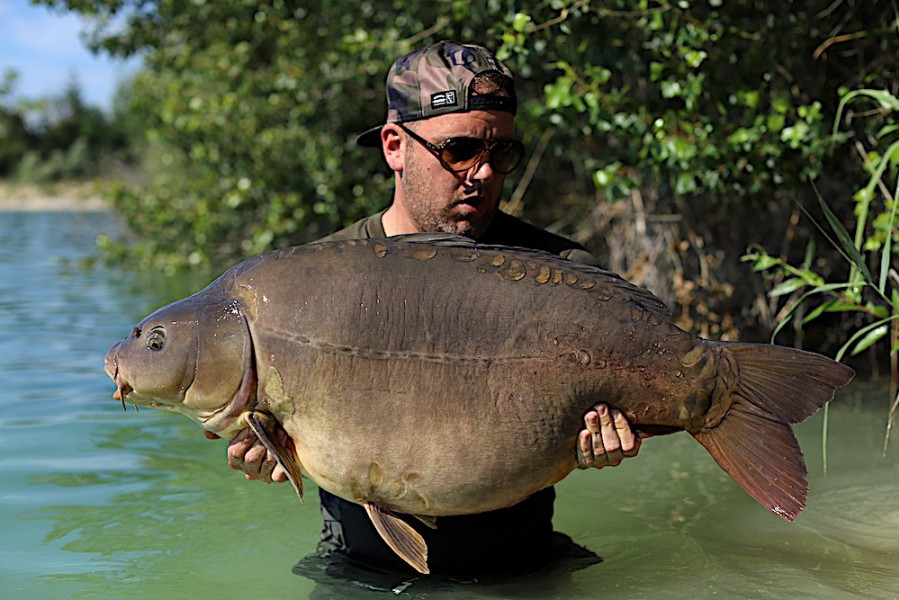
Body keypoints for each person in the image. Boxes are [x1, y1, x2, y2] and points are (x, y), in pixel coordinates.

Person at [224, 40, 644, 576]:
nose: (485, 173)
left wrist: (597, 442)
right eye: (460, 150)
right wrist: (272, 451)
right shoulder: (311, 283)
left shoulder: (555, 272)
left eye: (502, 154)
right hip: (362, 570)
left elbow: (600, 416)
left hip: (525, 568)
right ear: (394, 146)